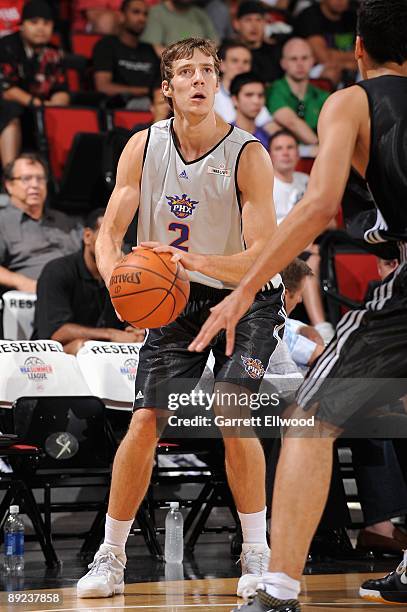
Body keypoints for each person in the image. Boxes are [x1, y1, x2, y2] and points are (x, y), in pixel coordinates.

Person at [189, 0, 407, 609]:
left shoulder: (352, 101)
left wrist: (241, 289)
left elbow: (316, 207)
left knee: (310, 422)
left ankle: (277, 590)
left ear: (357, 48)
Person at [76, 36, 286, 600]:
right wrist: (120, 282)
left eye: (208, 71)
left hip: (247, 294)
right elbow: (111, 235)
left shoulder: (249, 154)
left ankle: (256, 553)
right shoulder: (142, 147)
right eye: (186, 72)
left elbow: (264, 252)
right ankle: (110, 557)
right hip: (177, 298)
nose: (199, 79)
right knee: (145, 420)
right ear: (167, 88)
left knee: (232, 409)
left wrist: (195, 261)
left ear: (218, 83)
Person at [33, 208, 145, 353]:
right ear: (87, 236)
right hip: (51, 358)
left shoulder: (124, 275)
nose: (116, 244)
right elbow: (56, 332)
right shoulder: (57, 271)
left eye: (119, 237)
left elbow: (129, 325)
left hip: (110, 354)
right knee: (81, 347)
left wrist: (135, 332)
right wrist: (111, 335)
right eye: (108, 236)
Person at [269, 129, 335, 343]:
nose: (285, 153)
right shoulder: (266, 182)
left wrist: (309, 236)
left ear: (298, 154)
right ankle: (321, 326)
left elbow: (330, 220)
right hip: (274, 250)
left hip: (307, 247)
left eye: (290, 148)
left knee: (313, 257)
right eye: (279, 148)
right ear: (270, 155)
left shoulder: (306, 181)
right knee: (311, 260)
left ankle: (320, 327)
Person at [0, 153, 82, 294]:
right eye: (26, 179)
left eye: (40, 179)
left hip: (80, 294)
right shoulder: (3, 222)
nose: (35, 185)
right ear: (9, 185)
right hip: (36, 298)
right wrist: (21, 282)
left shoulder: (63, 220)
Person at [92, 0, 165, 118]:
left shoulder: (149, 49)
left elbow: (159, 86)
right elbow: (103, 86)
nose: (142, 18)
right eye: (136, 12)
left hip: (154, 105)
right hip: (120, 106)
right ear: (121, 16)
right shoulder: (107, 45)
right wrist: (146, 91)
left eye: (145, 14)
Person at [0, 0, 70, 108]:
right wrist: (39, 105)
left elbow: (61, 89)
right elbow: (6, 89)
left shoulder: (54, 52)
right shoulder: (5, 47)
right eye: (34, 22)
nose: (41, 28)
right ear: (22, 25)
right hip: (7, 110)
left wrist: (56, 104)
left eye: (46, 23)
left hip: (41, 110)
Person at [266, 38, 330, 143]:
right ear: (283, 63)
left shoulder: (322, 95)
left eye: (304, 58)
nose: (299, 64)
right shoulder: (274, 90)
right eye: (293, 59)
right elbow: (291, 122)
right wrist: (320, 148)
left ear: (312, 61)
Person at [294, 0, 357, 85]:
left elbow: (365, 55)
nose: (340, 1)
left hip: (349, 65)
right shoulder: (310, 15)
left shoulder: (353, 17)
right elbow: (324, 58)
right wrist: (350, 61)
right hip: (313, 68)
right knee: (331, 72)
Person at [214, 40, 273, 130]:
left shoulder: (255, 95)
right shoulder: (210, 95)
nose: (241, 66)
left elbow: (269, 127)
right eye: (235, 61)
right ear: (222, 65)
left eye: (246, 62)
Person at [141, 0, 218, 57]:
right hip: (168, 69)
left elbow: (215, 43)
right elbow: (156, 49)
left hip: (200, 65)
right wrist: (187, 60)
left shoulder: (200, 14)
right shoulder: (157, 12)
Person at [234, 1, 282, 85]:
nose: (254, 26)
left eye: (258, 20)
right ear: (237, 24)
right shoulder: (229, 53)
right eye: (248, 20)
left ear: (265, 23)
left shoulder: (276, 52)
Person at [230, 72, 277, 149]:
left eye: (260, 95)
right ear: (234, 99)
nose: (256, 101)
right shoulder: (222, 136)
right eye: (249, 95)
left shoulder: (268, 138)